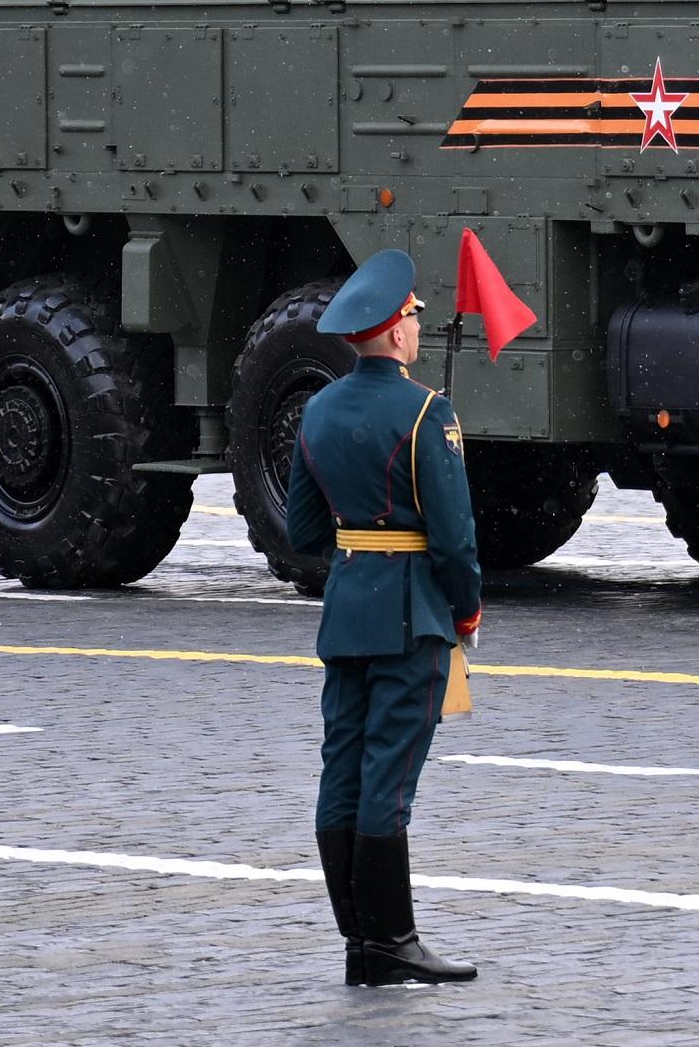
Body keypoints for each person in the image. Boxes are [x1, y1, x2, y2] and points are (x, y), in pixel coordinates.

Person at [285, 249, 483, 986]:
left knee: (343, 770)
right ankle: (392, 941)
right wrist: (465, 614)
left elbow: (303, 531)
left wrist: (361, 544)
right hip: (412, 616)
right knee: (388, 782)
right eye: (413, 319)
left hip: (347, 612)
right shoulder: (428, 411)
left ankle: (360, 941)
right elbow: (456, 540)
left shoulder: (318, 409)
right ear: (397, 332)